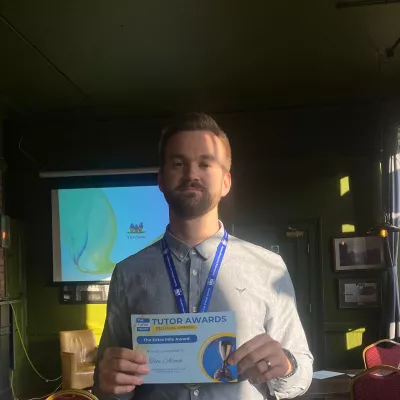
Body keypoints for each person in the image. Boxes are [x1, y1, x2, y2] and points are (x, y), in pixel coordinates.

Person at [93, 112, 313, 400]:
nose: (191, 175)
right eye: (178, 163)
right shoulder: (128, 272)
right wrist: (106, 383)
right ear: (160, 179)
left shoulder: (269, 268)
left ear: (225, 182)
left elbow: (302, 371)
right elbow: (108, 384)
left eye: (205, 164)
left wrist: (286, 364)